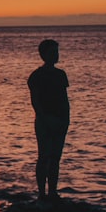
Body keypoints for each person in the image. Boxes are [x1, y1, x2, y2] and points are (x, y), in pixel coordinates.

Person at [27, 39, 69, 202]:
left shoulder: (60, 75)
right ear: (43, 55)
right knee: (44, 156)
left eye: (57, 52)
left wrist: (66, 120)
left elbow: (64, 100)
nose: (56, 55)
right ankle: (41, 193)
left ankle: (53, 191)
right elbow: (35, 101)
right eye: (52, 52)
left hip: (60, 120)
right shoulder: (36, 76)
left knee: (55, 158)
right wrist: (44, 119)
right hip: (44, 121)